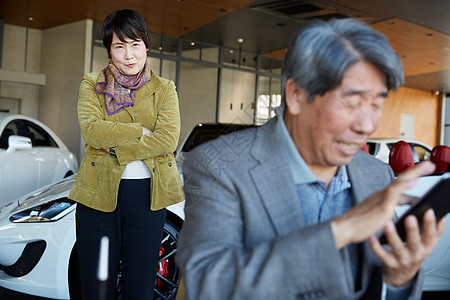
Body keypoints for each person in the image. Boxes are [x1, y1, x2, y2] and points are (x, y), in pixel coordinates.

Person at [176, 18, 445, 299]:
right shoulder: (217, 166)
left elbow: (380, 284)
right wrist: (341, 230)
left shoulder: (377, 175)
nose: (367, 125)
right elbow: (210, 285)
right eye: (352, 102)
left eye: (376, 104)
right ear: (296, 95)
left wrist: (398, 279)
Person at [68, 9, 184, 300]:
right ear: (109, 50)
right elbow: (93, 131)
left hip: (148, 197)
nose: (129, 55)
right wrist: (140, 131)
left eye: (135, 44)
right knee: (97, 285)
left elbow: (167, 139)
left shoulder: (164, 89)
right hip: (98, 195)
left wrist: (116, 146)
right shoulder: (92, 84)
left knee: (140, 285)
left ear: (146, 45)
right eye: (120, 46)